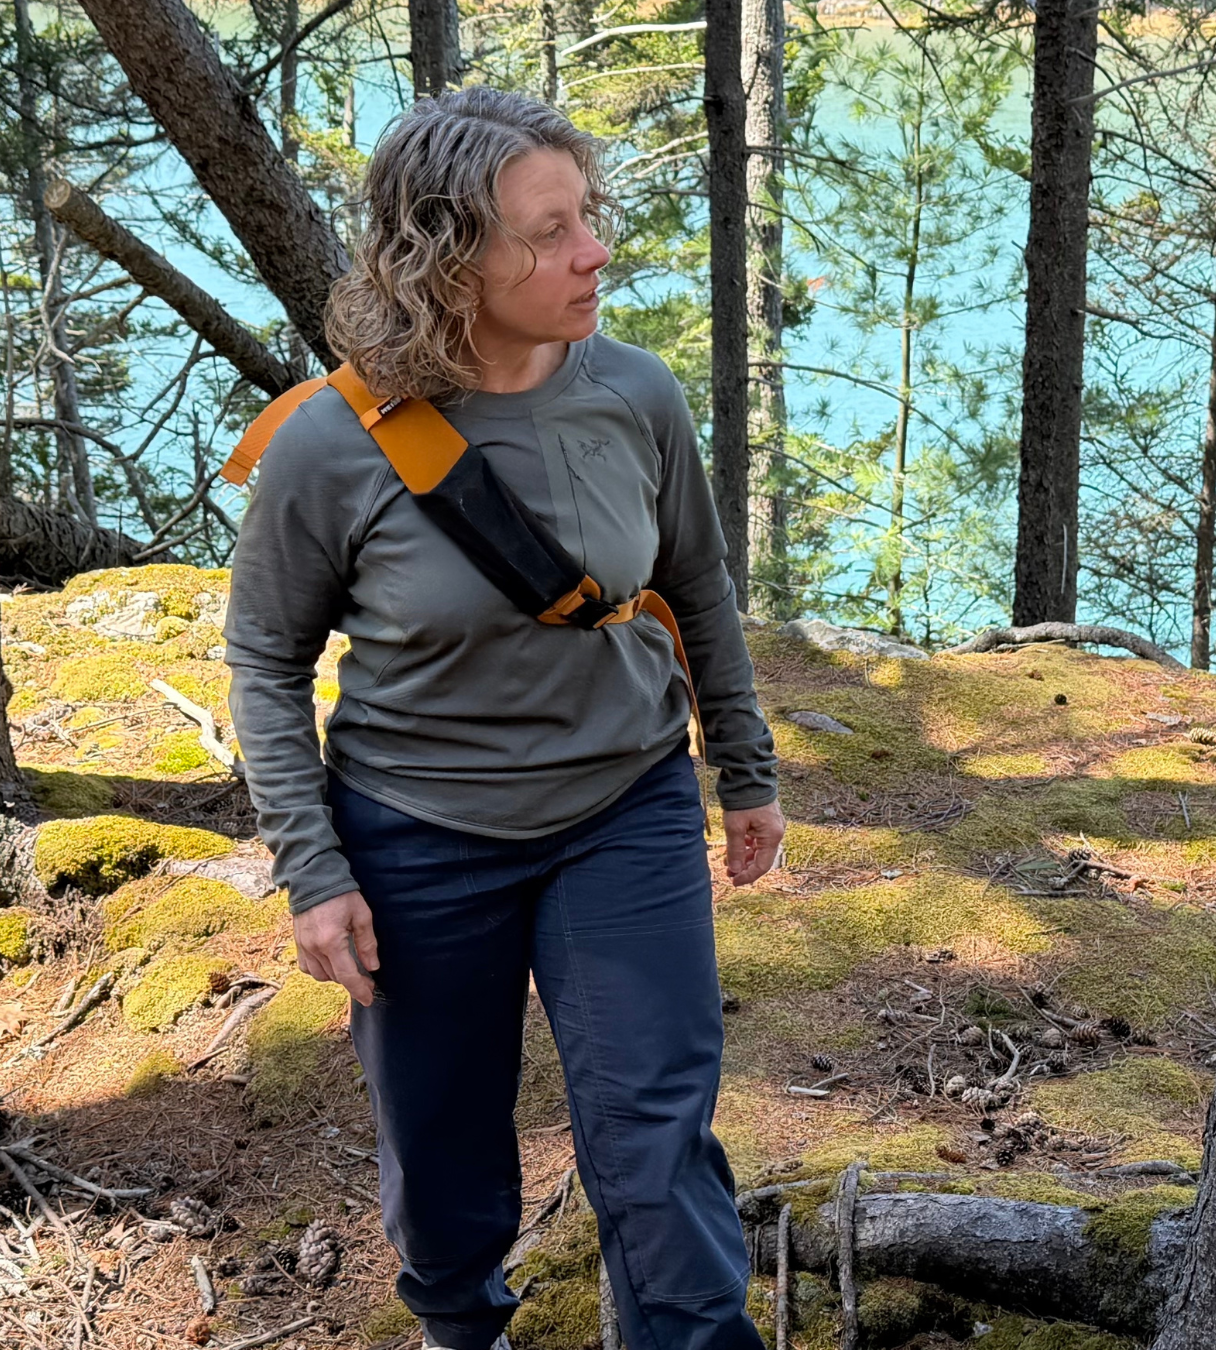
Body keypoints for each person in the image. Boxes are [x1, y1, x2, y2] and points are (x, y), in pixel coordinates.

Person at [223, 86, 784, 1350]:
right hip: (416, 837)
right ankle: (461, 1330)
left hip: (624, 812)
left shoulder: (636, 396)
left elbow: (696, 588)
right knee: (443, 1159)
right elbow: (266, 658)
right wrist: (314, 874)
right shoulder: (333, 446)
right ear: (444, 256)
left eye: (586, 216)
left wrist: (741, 772)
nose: (590, 252)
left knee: (656, 1138)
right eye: (546, 231)